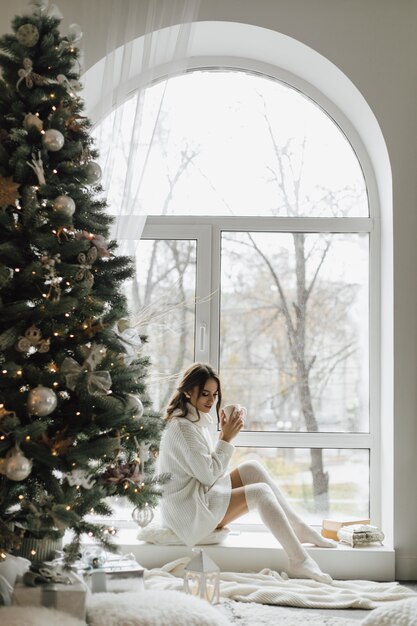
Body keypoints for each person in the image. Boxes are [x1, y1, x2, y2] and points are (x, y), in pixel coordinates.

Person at [158, 362, 335, 583]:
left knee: (252, 467)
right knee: (260, 492)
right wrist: (226, 438)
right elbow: (208, 475)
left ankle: (299, 528)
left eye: (214, 394)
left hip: (197, 497)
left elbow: (207, 471)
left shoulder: (194, 422)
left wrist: (224, 436)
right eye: (205, 394)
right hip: (189, 514)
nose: (211, 401)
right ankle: (298, 559)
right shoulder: (183, 428)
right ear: (187, 391)